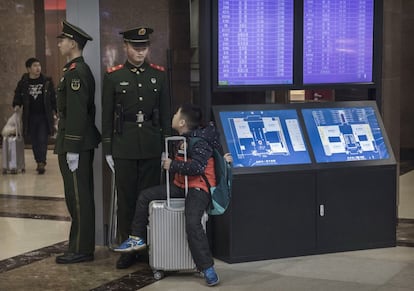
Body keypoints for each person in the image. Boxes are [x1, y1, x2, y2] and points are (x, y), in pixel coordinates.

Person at [113, 104, 224, 286]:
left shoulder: (200, 141)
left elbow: (197, 167)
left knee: (192, 222)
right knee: (145, 196)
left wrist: (172, 165)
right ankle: (137, 238)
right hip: (180, 185)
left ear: (181, 122)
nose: (172, 115)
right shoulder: (182, 138)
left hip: (199, 188)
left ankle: (207, 268)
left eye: (175, 114)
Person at [102, 26, 171, 269]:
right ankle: (128, 248)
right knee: (128, 200)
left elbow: (165, 114)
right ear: (125, 47)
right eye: (135, 47)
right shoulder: (113, 76)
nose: (140, 52)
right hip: (125, 145)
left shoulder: (159, 75)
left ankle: (147, 245)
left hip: (151, 145)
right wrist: (108, 149)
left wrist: (165, 146)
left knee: (150, 200)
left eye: (144, 47)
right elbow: (108, 115)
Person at [54, 20, 101, 264]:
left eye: (62, 39)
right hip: (74, 142)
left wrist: (72, 147)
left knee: (79, 197)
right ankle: (77, 245)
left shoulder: (77, 72)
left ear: (73, 43)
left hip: (77, 144)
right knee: (75, 197)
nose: (59, 43)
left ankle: (82, 248)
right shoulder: (71, 69)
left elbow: (78, 113)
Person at [12, 57, 57, 174]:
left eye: (39, 65)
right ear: (28, 69)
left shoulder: (47, 81)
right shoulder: (23, 82)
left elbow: (53, 97)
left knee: (42, 138)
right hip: (29, 116)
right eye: (35, 66)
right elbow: (18, 95)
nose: (38, 68)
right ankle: (38, 160)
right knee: (34, 140)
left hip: (43, 116)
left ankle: (41, 162)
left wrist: (56, 110)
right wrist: (16, 104)